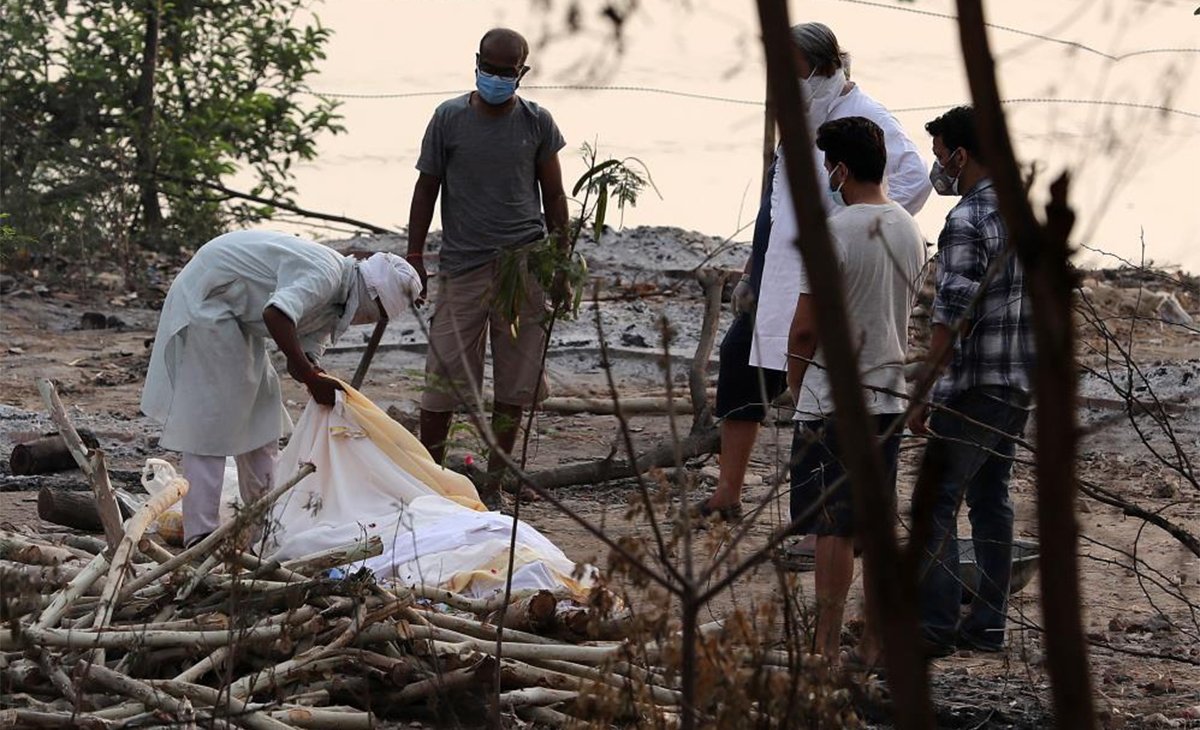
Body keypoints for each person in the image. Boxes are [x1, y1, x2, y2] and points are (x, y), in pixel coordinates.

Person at [141, 230, 421, 548]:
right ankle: (201, 536)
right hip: (209, 300)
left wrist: (315, 374)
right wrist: (308, 373)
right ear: (368, 296)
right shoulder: (326, 273)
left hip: (235, 316)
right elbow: (276, 315)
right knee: (212, 420)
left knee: (263, 416)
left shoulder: (337, 300)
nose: (365, 320)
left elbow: (303, 355)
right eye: (373, 313)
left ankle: (264, 525)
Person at [785, 116, 926, 667]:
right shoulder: (908, 228)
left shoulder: (834, 233)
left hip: (833, 399)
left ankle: (824, 644)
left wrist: (799, 385)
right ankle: (871, 640)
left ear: (840, 168)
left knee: (832, 527)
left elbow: (804, 328)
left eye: (828, 165)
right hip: (887, 394)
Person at [406, 28, 569, 498]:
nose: (497, 78)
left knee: (515, 381)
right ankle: (429, 482)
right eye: (490, 69)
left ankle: (495, 481)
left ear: (523, 72)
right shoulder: (449, 119)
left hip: (524, 265)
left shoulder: (537, 123)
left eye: (507, 71)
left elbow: (553, 194)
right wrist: (415, 256)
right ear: (477, 62)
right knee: (444, 377)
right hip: (462, 265)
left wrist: (559, 262)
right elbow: (426, 188)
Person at [907, 105, 1035, 657]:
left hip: (975, 385)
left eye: (941, 157)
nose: (939, 170)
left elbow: (950, 319)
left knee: (936, 502)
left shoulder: (965, 221)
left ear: (961, 155)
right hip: (1017, 380)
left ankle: (932, 628)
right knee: (991, 497)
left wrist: (924, 392)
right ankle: (987, 624)